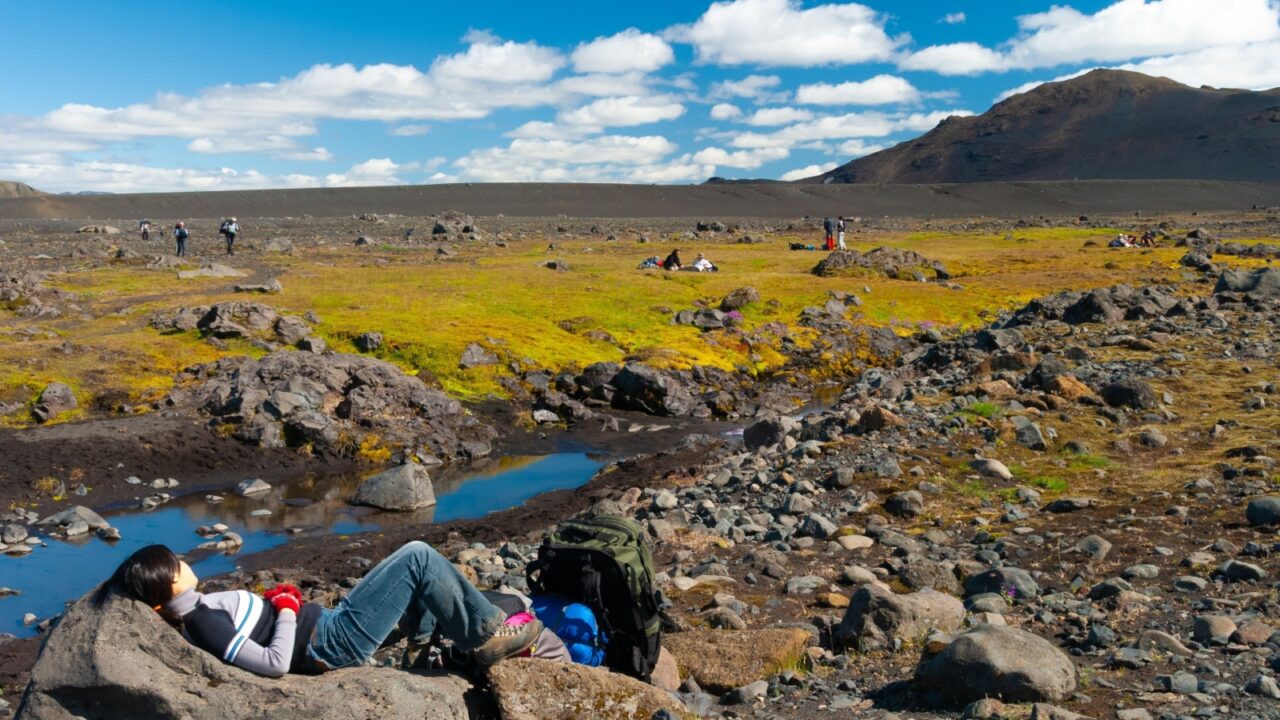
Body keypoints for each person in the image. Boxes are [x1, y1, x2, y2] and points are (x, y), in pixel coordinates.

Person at [94, 541, 543, 677]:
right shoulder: (202, 620)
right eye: (178, 562)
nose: (185, 562)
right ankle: (484, 635)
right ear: (171, 581)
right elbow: (272, 664)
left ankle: (423, 649)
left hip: (327, 625)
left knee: (411, 562)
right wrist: (287, 609)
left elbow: (260, 629)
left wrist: (274, 604)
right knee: (418, 557)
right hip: (330, 641)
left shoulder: (201, 609)